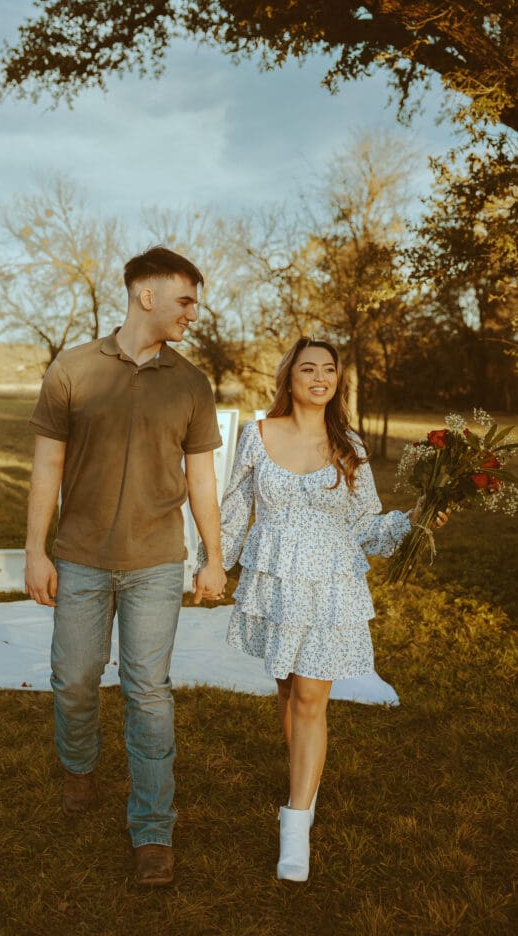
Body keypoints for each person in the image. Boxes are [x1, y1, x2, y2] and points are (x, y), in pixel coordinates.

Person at [196, 337, 449, 882]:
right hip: (276, 581)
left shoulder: (349, 444)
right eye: (307, 368)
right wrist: (212, 563)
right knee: (288, 690)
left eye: (328, 369)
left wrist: (415, 521)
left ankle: (296, 825)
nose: (318, 376)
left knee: (311, 697)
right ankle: (301, 780)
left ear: (337, 381)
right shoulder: (258, 436)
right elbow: (236, 508)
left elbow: (365, 525)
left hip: (331, 584)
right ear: (289, 378)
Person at [25, 245, 227, 887]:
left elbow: (202, 482)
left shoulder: (192, 383)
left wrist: (213, 559)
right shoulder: (74, 368)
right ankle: (79, 765)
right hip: (81, 559)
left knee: (148, 694)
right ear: (147, 295)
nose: (194, 312)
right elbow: (46, 467)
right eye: (186, 300)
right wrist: (36, 551)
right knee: (75, 678)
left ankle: (152, 830)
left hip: (155, 565)